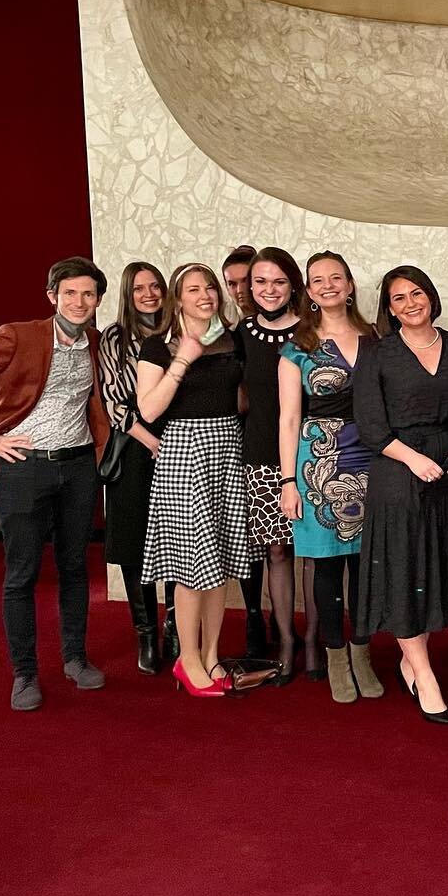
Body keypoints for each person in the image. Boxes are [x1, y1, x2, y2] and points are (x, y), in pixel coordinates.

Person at [0, 257, 111, 711]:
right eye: (70, 293)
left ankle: (75, 658)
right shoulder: (19, 335)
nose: (79, 302)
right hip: (25, 468)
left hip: (77, 469)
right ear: (52, 296)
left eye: (88, 294)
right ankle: (25, 673)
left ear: (97, 300)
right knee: (22, 574)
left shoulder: (93, 342)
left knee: (74, 567)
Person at [355, 266, 448, 725]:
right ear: (389, 309)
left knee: (431, 572)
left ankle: (413, 662)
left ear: (430, 295)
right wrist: (412, 459)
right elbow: (370, 425)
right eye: (398, 299)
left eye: (417, 293)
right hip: (399, 474)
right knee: (404, 570)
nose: (411, 303)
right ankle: (426, 678)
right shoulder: (378, 352)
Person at [137, 263, 252, 697]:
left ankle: (212, 654)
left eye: (210, 287)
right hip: (184, 451)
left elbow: (240, 399)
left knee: (219, 560)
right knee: (192, 564)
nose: (205, 294)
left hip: (227, 446)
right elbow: (148, 410)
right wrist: (183, 358)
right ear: (177, 298)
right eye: (193, 289)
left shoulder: (231, 338)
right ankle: (187, 660)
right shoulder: (157, 346)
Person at [278, 251, 379, 702]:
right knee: (325, 565)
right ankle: (335, 655)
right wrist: (287, 483)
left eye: (335, 277)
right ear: (309, 290)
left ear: (350, 284)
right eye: (317, 280)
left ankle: (362, 652)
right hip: (318, 464)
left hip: (373, 460)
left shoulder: (376, 336)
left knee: (365, 566)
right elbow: (287, 419)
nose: (328, 285)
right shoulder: (297, 344)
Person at [97, 261, 172, 675]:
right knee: (135, 543)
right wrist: (151, 441)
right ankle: (146, 632)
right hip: (134, 448)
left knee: (180, 539)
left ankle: (176, 625)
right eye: (139, 288)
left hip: (178, 445)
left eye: (154, 286)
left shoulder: (177, 331)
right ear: (128, 295)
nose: (148, 294)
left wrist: (172, 443)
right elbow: (114, 401)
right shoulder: (116, 337)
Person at [233, 247, 305, 679]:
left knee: (315, 556)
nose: (269, 290)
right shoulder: (240, 332)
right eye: (260, 282)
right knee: (277, 551)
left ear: (292, 284)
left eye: (278, 281)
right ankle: (287, 642)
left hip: (314, 456)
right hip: (261, 453)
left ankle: (318, 639)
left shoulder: (313, 331)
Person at [222, 244, 257, 319]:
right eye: (232, 284)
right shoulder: (228, 328)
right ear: (227, 287)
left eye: (245, 281)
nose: (239, 290)